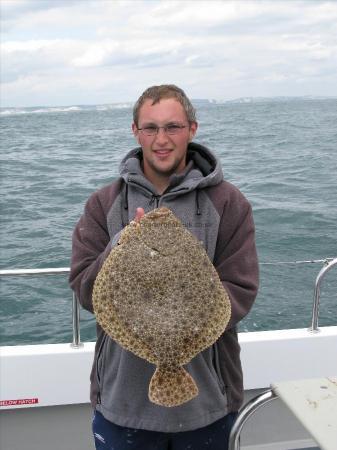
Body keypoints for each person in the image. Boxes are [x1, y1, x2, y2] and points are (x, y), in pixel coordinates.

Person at [69, 84, 259, 450]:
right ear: (135, 131)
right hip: (122, 402)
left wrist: (183, 320)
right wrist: (121, 244)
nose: (161, 139)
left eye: (172, 127)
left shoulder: (228, 202)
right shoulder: (103, 204)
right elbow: (85, 290)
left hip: (209, 401)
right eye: (150, 128)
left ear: (192, 129)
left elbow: (241, 289)